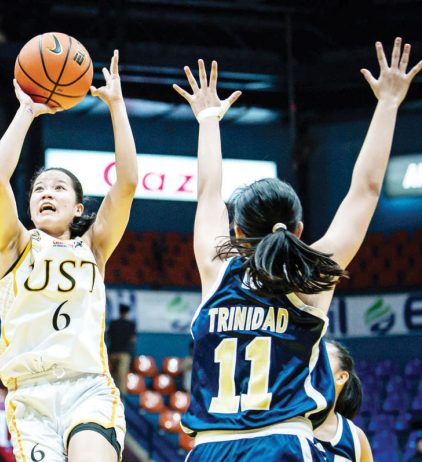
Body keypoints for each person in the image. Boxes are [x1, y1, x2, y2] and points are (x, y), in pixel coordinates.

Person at [172, 37, 421, 461]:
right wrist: (388, 104)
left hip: (211, 448)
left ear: (234, 229)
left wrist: (209, 120)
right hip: (282, 443)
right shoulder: (310, 280)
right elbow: (365, 191)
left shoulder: (217, 273)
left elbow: (207, 193)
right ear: (299, 229)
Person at [0, 50, 137, 462]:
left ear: (77, 208)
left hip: (86, 387)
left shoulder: (94, 245)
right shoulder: (14, 245)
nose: (46, 193)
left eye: (57, 189)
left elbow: (126, 184)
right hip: (30, 398)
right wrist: (26, 113)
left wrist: (117, 106)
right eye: (38, 189)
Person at [314, 341, 373, 462]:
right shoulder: (284, 425)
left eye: (322, 357)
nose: (313, 362)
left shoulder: (355, 437)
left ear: (341, 377)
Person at [108, 303, 136, 394]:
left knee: (112, 376)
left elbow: (108, 337)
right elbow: (132, 341)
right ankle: (121, 398)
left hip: (112, 353)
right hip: (124, 354)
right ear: (127, 313)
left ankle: (110, 394)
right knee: (122, 377)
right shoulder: (131, 324)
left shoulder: (113, 323)